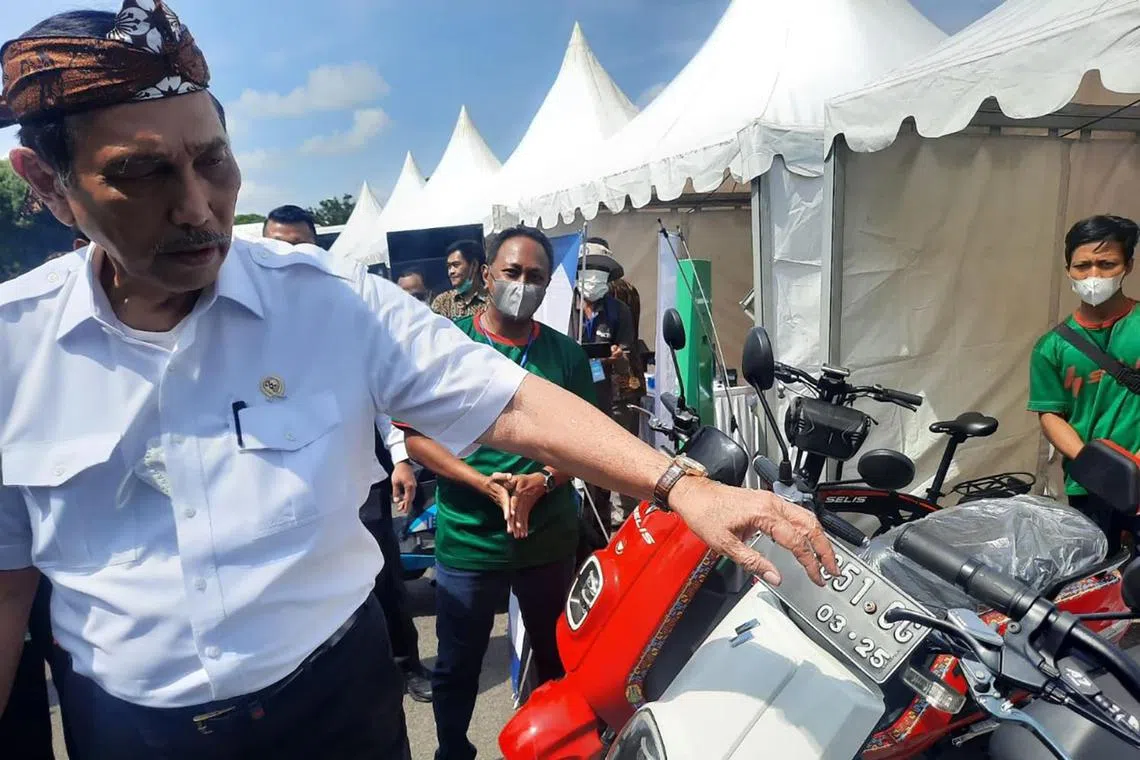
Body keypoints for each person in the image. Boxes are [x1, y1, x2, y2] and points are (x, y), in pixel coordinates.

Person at [0, 4, 836, 759]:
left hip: (335, 706)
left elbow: (510, 400)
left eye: (212, 160)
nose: (196, 205)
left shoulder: (331, 304)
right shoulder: (13, 347)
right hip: (130, 730)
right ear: (47, 185)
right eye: (141, 173)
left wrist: (682, 486)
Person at [402, 226, 595, 760]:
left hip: (546, 538)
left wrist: (545, 480)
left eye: (536, 276)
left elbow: (589, 443)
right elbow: (416, 438)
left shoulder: (565, 356)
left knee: (557, 658)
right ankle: (451, 750)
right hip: (469, 540)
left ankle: (555, 748)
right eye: (512, 272)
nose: (522, 285)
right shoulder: (449, 348)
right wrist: (480, 483)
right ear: (487, 276)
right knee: (457, 664)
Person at [264, 208, 432, 702]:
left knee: (382, 573)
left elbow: (376, 395)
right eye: (276, 245)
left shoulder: (341, 311)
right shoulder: (240, 319)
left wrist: (399, 458)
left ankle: (405, 663)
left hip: (357, 472)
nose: (286, 256)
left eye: (299, 245)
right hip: (286, 479)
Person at [1029, 214, 1140, 548]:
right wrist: (1094, 464)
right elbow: (1051, 415)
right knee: (1096, 571)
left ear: (1128, 266)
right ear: (1068, 271)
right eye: (1082, 266)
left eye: (1107, 264)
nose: (1094, 275)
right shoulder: (1050, 347)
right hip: (1090, 487)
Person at [571, 250, 642, 526]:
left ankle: (627, 519)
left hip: (616, 393)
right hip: (579, 396)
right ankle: (591, 523)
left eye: (600, 276)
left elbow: (627, 351)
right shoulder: (567, 308)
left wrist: (616, 356)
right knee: (588, 462)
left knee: (622, 458)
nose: (594, 281)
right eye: (589, 274)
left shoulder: (618, 309)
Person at [431, 239, 487, 320]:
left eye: (456, 265)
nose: (451, 272)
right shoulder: (442, 302)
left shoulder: (491, 301)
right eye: (449, 266)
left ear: (474, 265)